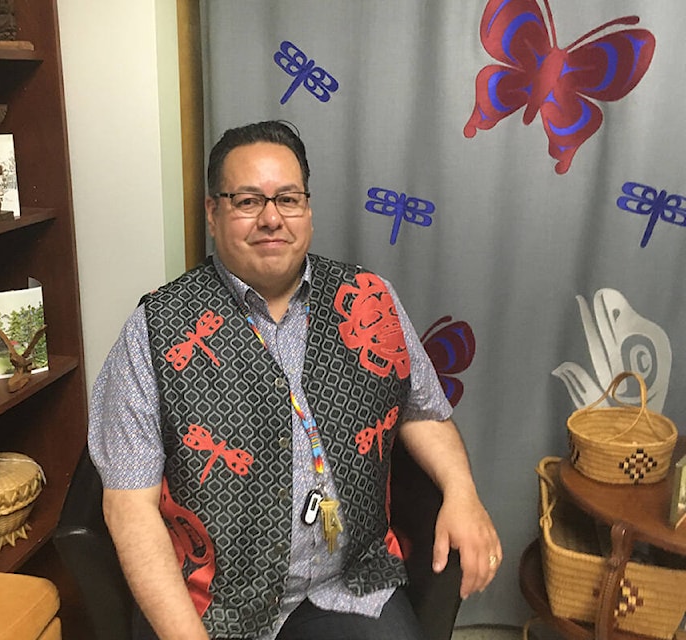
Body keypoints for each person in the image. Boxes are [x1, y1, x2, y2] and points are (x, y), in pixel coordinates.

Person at [88, 120, 501, 640]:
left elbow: (421, 409)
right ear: (213, 214)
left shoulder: (368, 298)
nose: (270, 219)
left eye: (287, 199)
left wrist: (463, 492)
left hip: (350, 584)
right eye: (246, 201)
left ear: (307, 209)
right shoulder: (157, 328)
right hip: (213, 602)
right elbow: (129, 506)